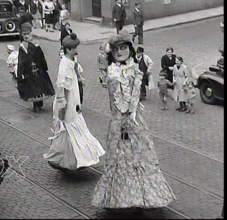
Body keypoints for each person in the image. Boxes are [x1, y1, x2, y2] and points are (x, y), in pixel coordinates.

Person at [91, 30, 176, 209]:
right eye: (116, 49)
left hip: (134, 122)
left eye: (123, 48)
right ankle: (120, 198)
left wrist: (130, 116)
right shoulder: (111, 71)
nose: (119, 52)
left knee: (139, 156)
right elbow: (113, 97)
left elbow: (135, 96)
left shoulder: (135, 71)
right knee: (118, 158)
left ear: (129, 49)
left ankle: (142, 196)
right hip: (116, 123)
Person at [43, 33, 105, 172]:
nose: (77, 50)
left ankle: (78, 158)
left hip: (74, 100)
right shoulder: (64, 64)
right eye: (74, 48)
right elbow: (62, 86)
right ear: (68, 49)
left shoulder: (72, 61)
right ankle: (69, 159)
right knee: (69, 127)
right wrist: (63, 103)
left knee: (76, 126)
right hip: (68, 102)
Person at [16, 23, 55, 113]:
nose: (26, 36)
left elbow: (41, 56)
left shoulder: (35, 44)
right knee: (33, 88)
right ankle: (35, 105)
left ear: (31, 34)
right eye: (24, 34)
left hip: (38, 69)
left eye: (28, 34)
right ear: (22, 34)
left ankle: (39, 104)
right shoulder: (23, 47)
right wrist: (21, 72)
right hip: (29, 71)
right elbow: (21, 60)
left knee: (40, 86)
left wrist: (44, 66)